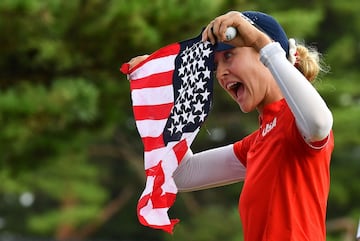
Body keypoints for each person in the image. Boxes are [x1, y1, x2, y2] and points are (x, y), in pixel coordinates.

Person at [127, 10, 334, 241]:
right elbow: (180, 173)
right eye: (216, 66)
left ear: (265, 53)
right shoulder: (258, 142)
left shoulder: (296, 124)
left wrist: (258, 40)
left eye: (228, 55)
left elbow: (319, 123)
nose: (221, 73)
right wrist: (166, 95)